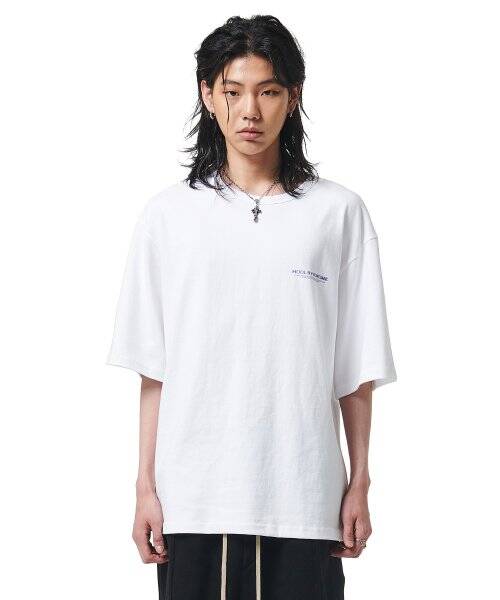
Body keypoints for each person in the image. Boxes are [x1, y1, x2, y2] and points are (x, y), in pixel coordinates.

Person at [106, 14, 397, 600]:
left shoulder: (338, 213)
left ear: (293, 96)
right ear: (207, 95)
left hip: (304, 499)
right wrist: (144, 486)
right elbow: (154, 371)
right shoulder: (168, 217)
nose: (250, 112)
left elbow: (355, 369)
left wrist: (360, 482)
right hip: (195, 499)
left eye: (267, 92)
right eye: (233, 91)